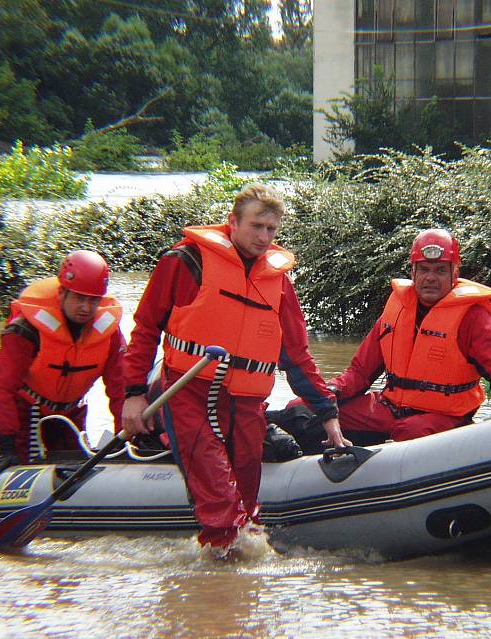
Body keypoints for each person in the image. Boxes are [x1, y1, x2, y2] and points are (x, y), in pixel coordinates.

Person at [121, 183, 349, 554]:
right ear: (233, 222)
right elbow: (145, 329)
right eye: (256, 226)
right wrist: (132, 395)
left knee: (246, 497)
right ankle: (222, 585)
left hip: (246, 402)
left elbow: (297, 356)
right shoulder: (185, 262)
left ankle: (240, 584)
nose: (264, 237)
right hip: (187, 392)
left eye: (271, 229)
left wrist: (328, 414)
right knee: (221, 502)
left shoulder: (278, 282)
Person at [310, 228, 491, 443]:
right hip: (389, 409)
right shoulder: (397, 311)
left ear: (454, 275)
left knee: (409, 431)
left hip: (446, 417)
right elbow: (359, 373)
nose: (430, 278)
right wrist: (331, 391)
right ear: (413, 272)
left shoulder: (473, 318)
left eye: (440, 270)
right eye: (424, 269)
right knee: (304, 409)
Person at [0, 250, 126, 484]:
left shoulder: (109, 333)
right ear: (61, 293)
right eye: (79, 298)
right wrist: (4, 446)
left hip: (71, 414)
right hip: (27, 414)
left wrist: (125, 434)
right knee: (20, 474)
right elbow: (0, 387)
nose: (86, 308)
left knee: (80, 478)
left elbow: (121, 388)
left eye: (93, 300)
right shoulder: (25, 330)